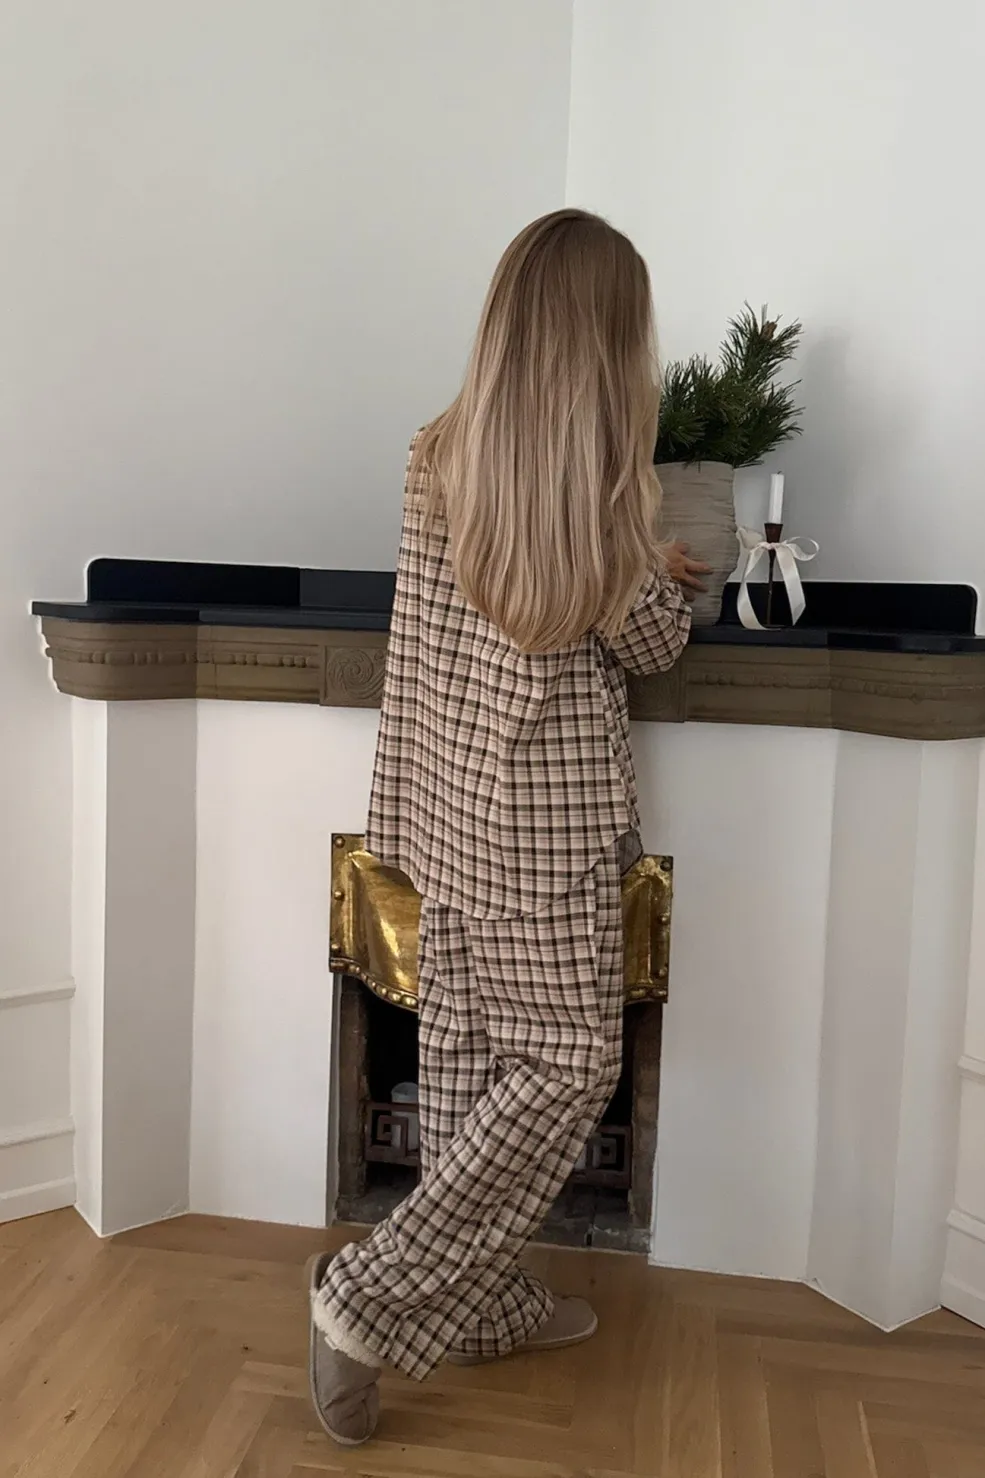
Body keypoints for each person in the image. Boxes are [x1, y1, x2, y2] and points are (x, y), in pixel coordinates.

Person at [307, 209, 708, 1447]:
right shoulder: (596, 492)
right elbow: (649, 642)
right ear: (606, 345)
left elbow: (436, 628)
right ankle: (369, 1293)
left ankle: (476, 1305)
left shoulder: (434, 452)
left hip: (445, 808)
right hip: (544, 827)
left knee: (469, 1065)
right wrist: (661, 572)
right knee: (569, 1065)